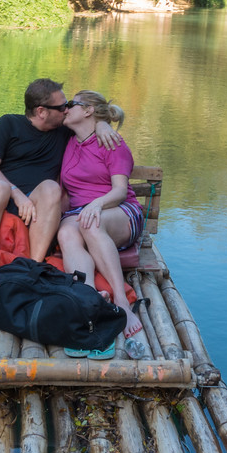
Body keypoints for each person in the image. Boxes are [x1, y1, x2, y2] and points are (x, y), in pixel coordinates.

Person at [0, 79, 120, 320]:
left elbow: (89, 119)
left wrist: (103, 125)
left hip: (35, 205)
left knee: (52, 188)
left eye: (68, 105)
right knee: (0, 187)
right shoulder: (8, 124)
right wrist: (17, 194)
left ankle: (29, 272)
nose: (67, 109)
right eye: (62, 106)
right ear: (41, 111)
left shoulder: (64, 131)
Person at [56, 90, 145, 353]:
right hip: (81, 213)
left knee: (90, 223)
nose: (65, 108)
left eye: (71, 104)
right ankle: (90, 302)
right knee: (66, 234)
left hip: (118, 210)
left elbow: (119, 191)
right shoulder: (68, 139)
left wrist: (97, 204)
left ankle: (121, 301)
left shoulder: (112, 142)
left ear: (88, 111)